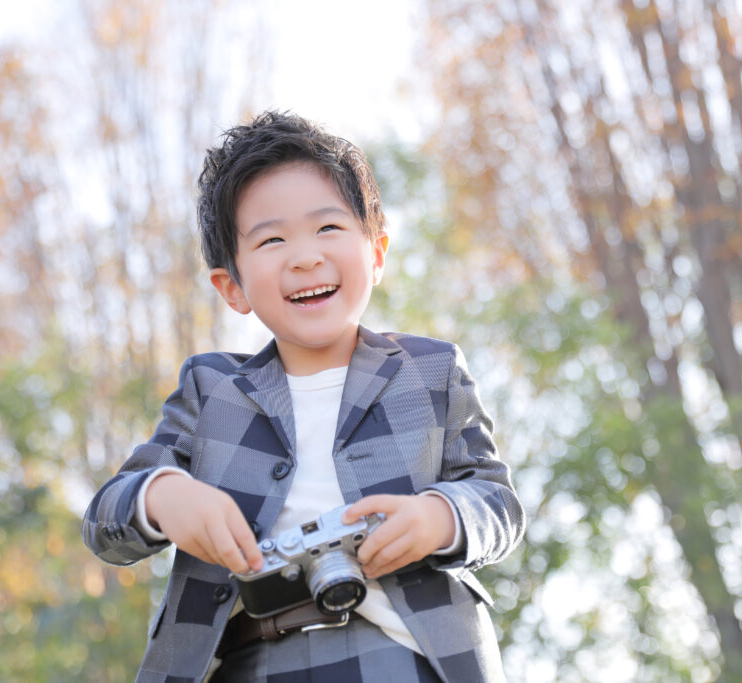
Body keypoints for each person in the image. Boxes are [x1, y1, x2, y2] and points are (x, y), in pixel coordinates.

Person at [81, 110, 525, 682]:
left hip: (407, 658)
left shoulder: (430, 370)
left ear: (377, 253)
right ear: (232, 287)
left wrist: (440, 517)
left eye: (328, 228)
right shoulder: (211, 389)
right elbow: (104, 523)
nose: (305, 256)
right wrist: (163, 497)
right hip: (245, 662)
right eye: (272, 239)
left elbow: (497, 501)